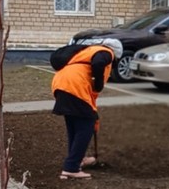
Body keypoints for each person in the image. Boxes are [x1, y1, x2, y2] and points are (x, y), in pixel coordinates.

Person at [50, 37, 122, 180]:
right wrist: (98, 82)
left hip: (62, 84)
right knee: (86, 127)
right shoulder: (106, 52)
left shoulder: (87, 51)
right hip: (75, 86)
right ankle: (71, 167)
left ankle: (77, 160)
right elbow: (99, 62)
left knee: (75, 127)